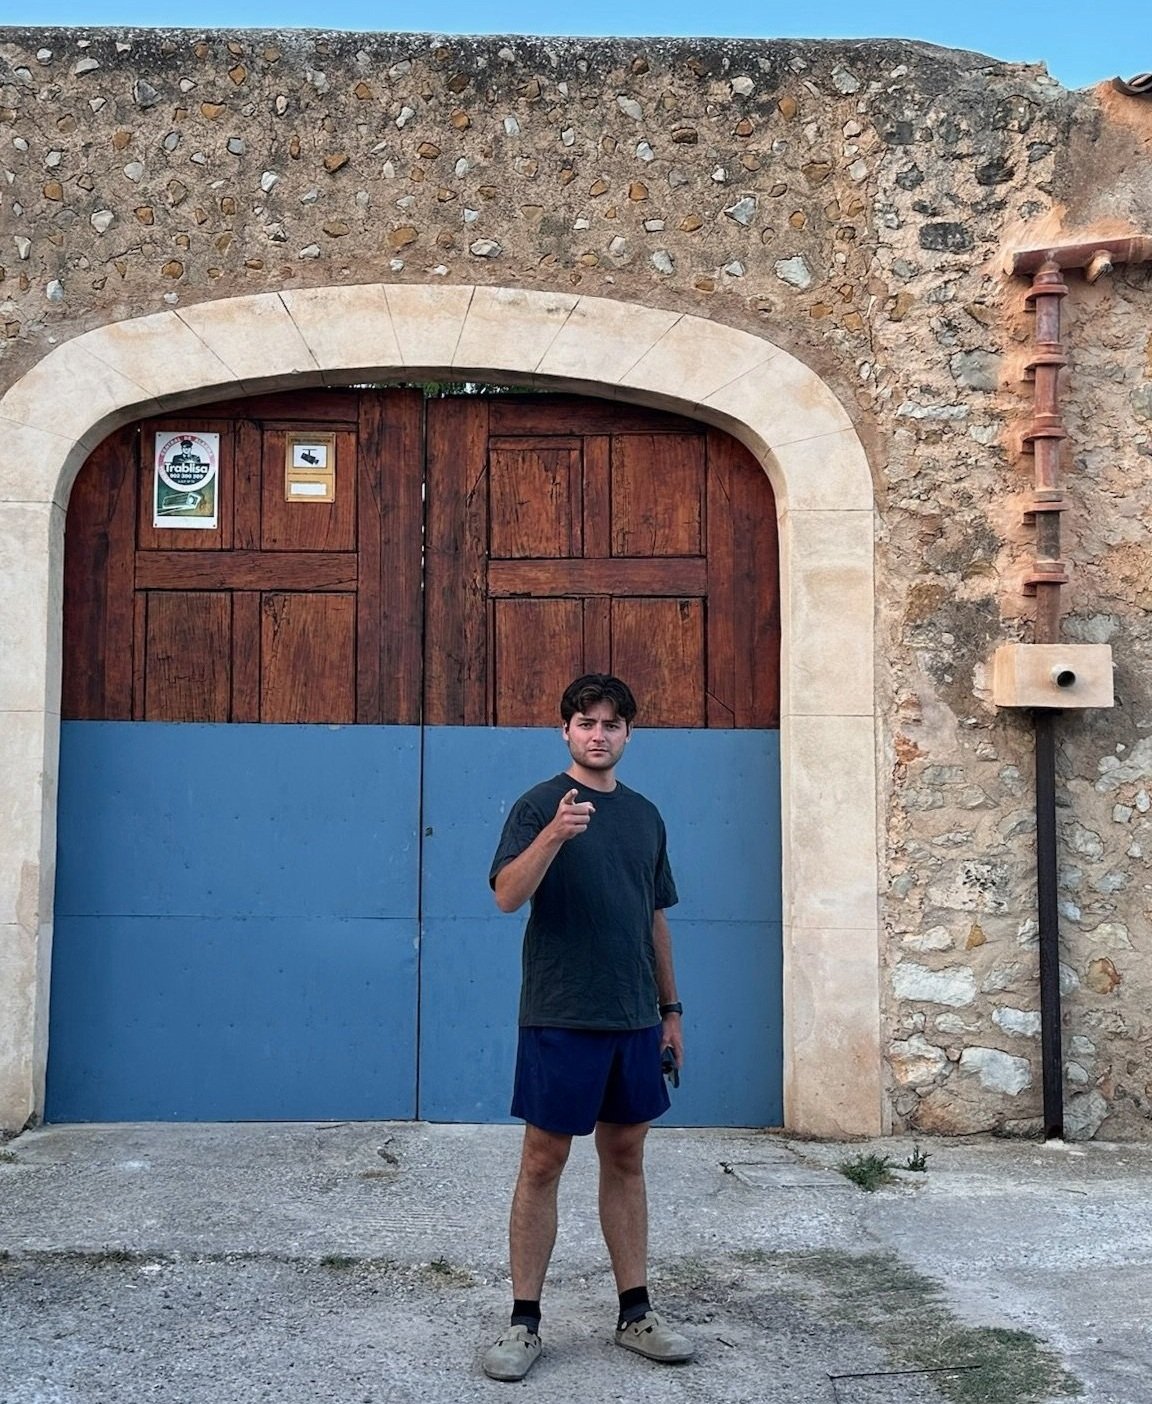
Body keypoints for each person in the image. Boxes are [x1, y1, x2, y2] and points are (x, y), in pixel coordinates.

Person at [481, 674, 694, 1382]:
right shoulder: (539, 806)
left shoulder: (645, 816)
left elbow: (654, 918)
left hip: (633, 1016)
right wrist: (551, 836)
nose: (598, 734)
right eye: (585, 723)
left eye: (611, 724)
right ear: (565, 732)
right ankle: (523, 1323)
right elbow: (506, 896)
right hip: (561, 1012)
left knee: (626, 1157)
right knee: (543, 1161)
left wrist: (671, 1012)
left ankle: (636, 1313)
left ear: (629, 735)